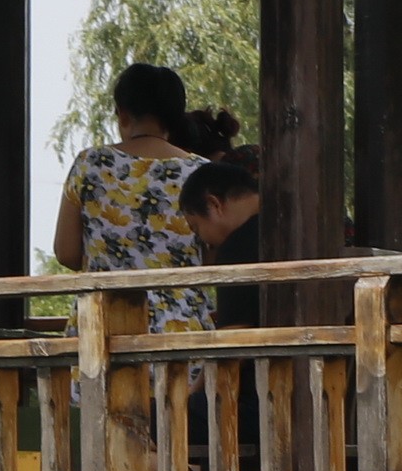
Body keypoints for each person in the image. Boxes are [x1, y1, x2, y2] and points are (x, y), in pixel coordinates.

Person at [51, 62, 237, 331]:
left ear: (123, 114)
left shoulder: (90, 164)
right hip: (181, 324)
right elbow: (213, 255)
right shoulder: (200, 172)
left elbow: (66, 252)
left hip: (104, 325)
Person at [179, 152, 265, 330]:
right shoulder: (297, 220)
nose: (205, 242)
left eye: (196, 227)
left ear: (213, 205)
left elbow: (234, 339)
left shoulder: (236, 248)